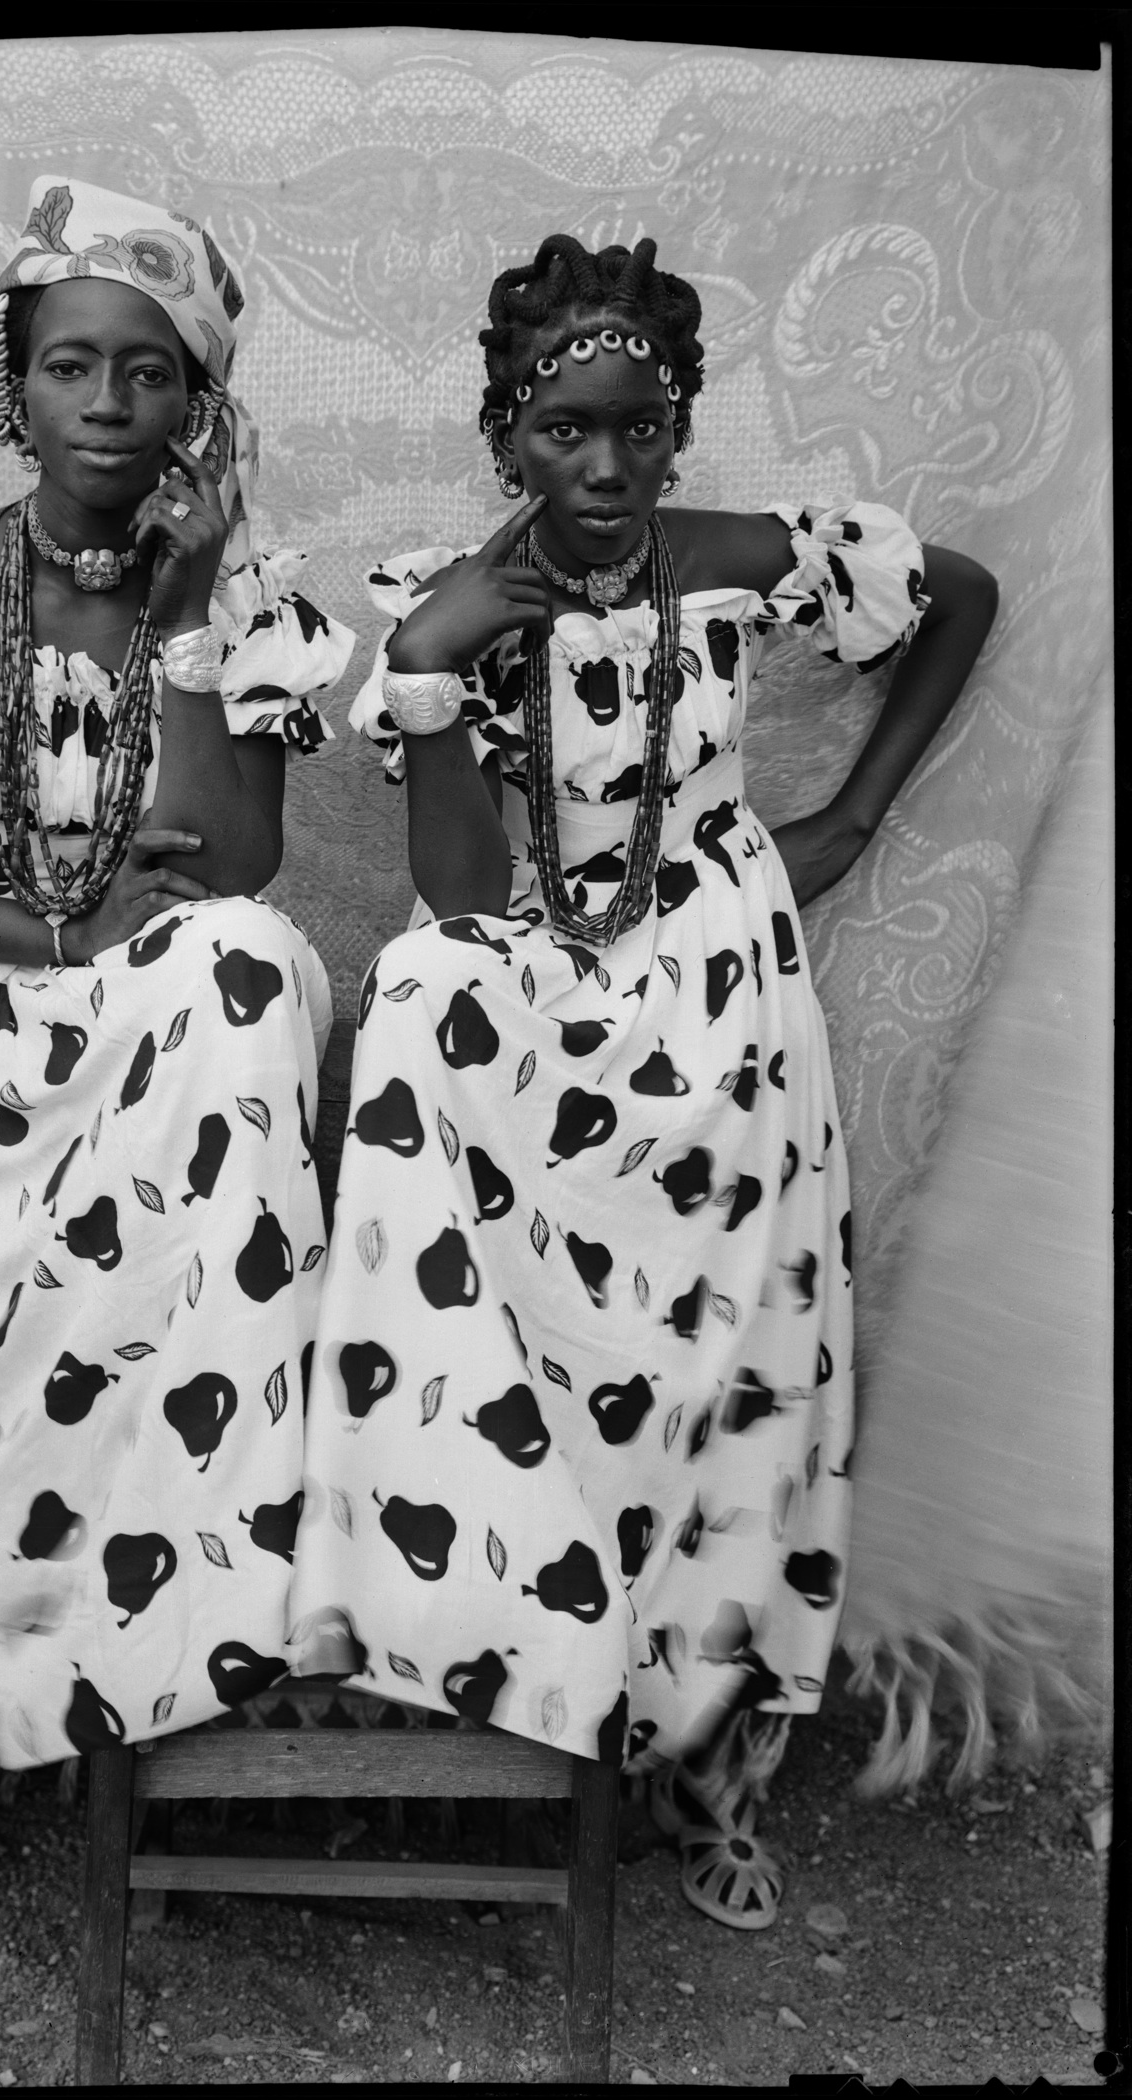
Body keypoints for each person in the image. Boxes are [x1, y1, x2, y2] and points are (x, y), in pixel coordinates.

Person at [286, 232, 997, 1931]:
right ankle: (457, 1649)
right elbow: (461, 899)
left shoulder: (742, 560)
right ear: (504, 438)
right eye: (562, 432)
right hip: (532, 972)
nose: (604, 468)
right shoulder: (442, 593)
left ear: (676, 427)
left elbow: (954, 593)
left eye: (639, 426)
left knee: (722, 1334)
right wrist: (439, 665)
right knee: (417, 1019)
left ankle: (703, 1745)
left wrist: (849, 822)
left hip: (714, 968)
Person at [0, 176, 354, 1927]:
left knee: (249, 959)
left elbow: (233, 859)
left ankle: (210, 1643)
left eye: (151, 375)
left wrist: (186, 627)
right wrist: (55, 935)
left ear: (202, 408)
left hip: (158, 1053)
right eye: (71, 368)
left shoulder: (236, 597)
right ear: (14, 387)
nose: (109, 405)